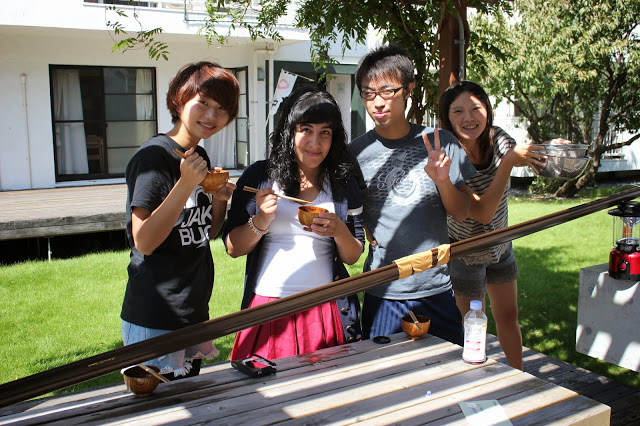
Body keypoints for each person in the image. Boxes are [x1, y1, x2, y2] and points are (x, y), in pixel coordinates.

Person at [223, 87, 365, 361]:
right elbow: (233, 247)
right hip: (267, 306)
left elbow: (353, 255)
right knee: (264, 394)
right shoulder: (259, 177)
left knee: (322, 394)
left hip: (323, 308)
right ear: (290, 132)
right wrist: (261, 220)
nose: (316, 142)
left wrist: (338, 230)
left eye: (325, 132)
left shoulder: (343, 181)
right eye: (306, 130)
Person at [348, 44, 477, 346]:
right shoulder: (355, 154)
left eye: (387, 91)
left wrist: (443, 181)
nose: (377, 103)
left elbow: (462, 212)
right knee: (384, 382)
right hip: (382, 290)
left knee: (447, 373)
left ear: (408, 90)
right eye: (368, 93)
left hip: (436, 288)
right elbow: (353, 214)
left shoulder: (439, 142)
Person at [121, 61, 239, 379]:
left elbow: (206, 232)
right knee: (158, 411)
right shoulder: (153, 159)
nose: (212, 116)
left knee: (192, 402)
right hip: (155, 315)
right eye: (203, 103)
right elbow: (143, 241)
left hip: (192, 311)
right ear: (179, 100)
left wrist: (218, 200)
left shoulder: (198, 159)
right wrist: (186, 183)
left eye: (221, 108)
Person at [439, 80, 550, 369]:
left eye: (475, 108)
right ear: (447, 118)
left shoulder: (499, 140)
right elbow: (482, 212)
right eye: (458, 111)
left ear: (487, 110)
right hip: (465, 252)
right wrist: (509, 163)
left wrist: (552, 150)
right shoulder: (447, 155)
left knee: (509, 316)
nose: (468, 118)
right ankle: (479, 386)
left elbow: (530, 157)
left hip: (500, 246)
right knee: (474, 329)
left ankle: (518, 378)